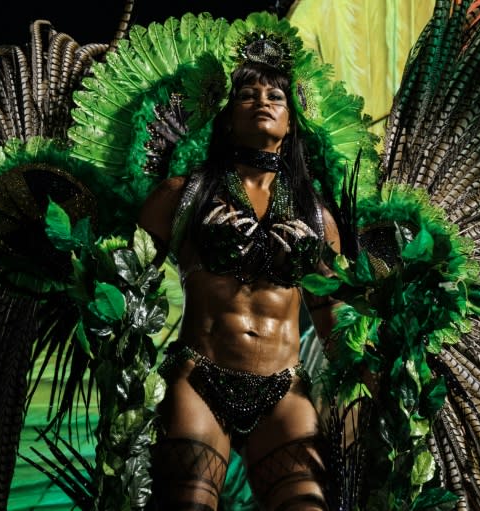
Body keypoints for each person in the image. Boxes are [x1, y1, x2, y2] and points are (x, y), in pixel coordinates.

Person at [138, 61, 341, 510]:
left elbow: (333, 322)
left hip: (283, 389)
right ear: (227, 117)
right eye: (247, 95)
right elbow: (127, 285)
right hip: (200, 378)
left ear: (290, 123)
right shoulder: (182, 195)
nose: (263, 103)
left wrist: (379, 383)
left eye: (276, 97)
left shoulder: (316, 216)